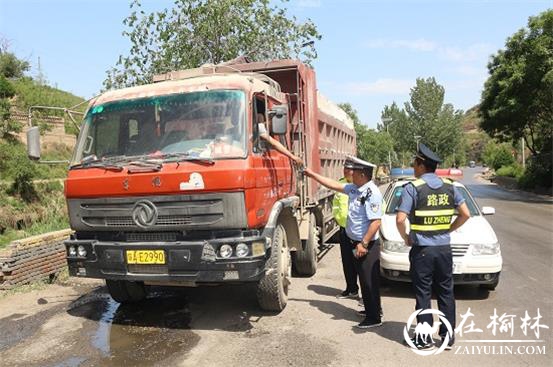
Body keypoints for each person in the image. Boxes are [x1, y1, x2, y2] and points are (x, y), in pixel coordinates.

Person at [396, 143, 471, 350]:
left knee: (423, 294)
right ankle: (447, 338)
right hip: (444, 250)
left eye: (414, 163)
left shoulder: (414, 188)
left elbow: (400, 219)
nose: (413, 166)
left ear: (421, 165)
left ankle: (424, 338)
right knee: (446, 292)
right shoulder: (450, 186)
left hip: (423, 251)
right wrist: (448, 229)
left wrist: (407, 238)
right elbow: (466, 213)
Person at [305, 156, 383, 329]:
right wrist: (311, 174)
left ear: (362, 174)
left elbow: (376, 222)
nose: (350, 174)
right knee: (364, 280)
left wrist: (363, 243)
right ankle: (371, 310)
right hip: (355, 241)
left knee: (369, 281)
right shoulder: (355, 189)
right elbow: (333, 185)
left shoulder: (372, 193)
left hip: (366, 245)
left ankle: (374, 317)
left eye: (354, 172)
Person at [332, 158, 360, 299]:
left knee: (360, 263)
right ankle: (351, 289)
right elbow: (336, 205)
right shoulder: (341, 184)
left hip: (358, 231)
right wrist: (338, 219)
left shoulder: (361, 185)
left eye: (348, 169)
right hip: (344, 229)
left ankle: (367, 296)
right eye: (344, 169)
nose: (346, 171)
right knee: (347, 261)